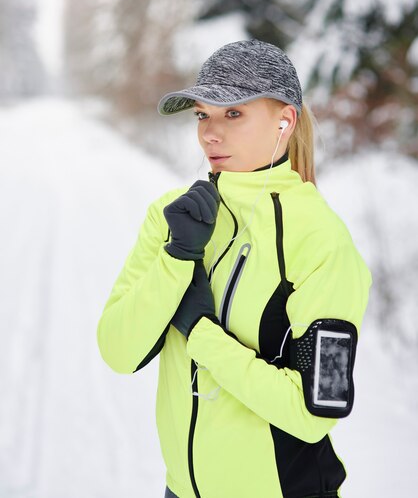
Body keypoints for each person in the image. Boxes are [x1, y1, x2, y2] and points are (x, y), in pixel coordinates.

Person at [97, 39, 371, 498]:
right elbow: (118, 351)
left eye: (233, 113)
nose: (210, 133)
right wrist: (175, 260)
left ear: (286, 119)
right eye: (203, 114)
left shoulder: (321, 241)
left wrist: (201, 333)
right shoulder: (172, 217)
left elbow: (314, 411)